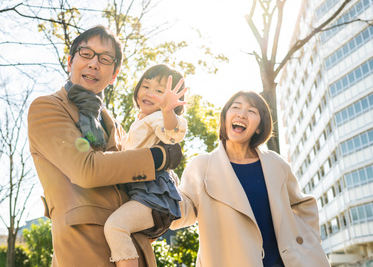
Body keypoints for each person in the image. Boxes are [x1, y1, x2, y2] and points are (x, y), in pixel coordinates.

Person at [28, 25, 182, 267]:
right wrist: (158, 158)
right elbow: (86, 170)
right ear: (70, 61)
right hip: (83, 250)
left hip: (132, 250)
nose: (93, 63)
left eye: (105, 59)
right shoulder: (48, 108)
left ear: (114, 74)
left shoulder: (117, 127)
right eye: (86, 54)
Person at [171, 90, 331, 267]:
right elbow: (178, 214)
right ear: (225, 118)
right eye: (236, 107)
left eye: (252, 111)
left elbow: (302, 205)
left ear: (260, 127)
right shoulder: (202, 166)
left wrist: (308, 244)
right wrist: (162, 174)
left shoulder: (276, 163)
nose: (241, 114)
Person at [104, 64, 187, 267]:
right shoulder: (140, 121)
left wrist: (168, 111)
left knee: (116, 226)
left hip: (152, 195)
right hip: (139, 193)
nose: (149, 93)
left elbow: (172, 133)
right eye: (146, 86)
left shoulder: (159, 118)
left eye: (159, 91)